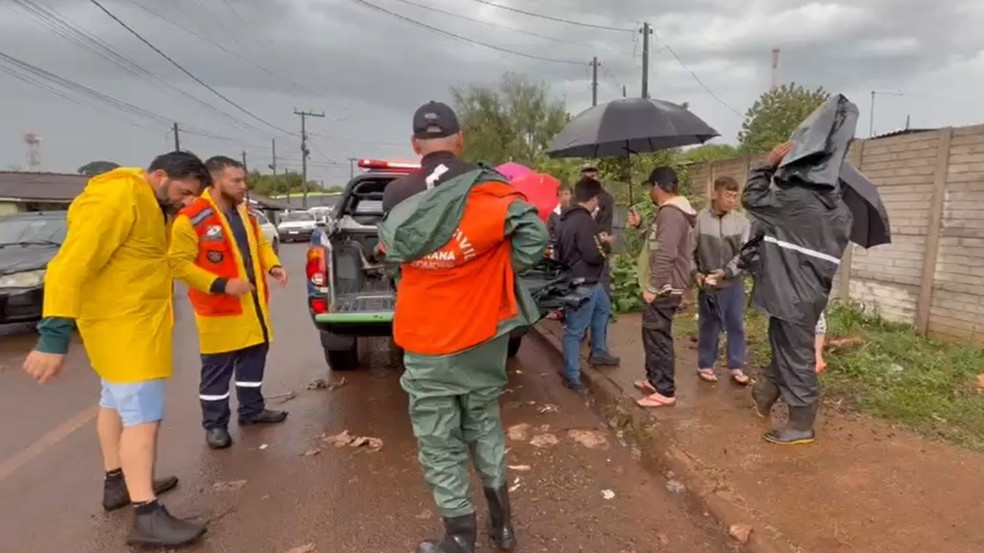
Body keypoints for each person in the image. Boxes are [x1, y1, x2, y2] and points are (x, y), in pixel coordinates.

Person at [378, 101, 548, 553]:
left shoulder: (396, 196)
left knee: (439, 439)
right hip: (482, 335)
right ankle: (503, 529)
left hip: (425, 336)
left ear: (416, 145)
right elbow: (535, 236)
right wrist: (496, 271)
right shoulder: (491, 189)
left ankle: (458, 536)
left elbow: (391, 254)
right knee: (484, 424)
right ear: (460, 140)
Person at [22, 152, 210, 547]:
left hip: (130, 324)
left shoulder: (149, 203)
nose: (186, 202)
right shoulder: (117, 198)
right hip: (125, 329)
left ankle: (118, 482)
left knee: (113, 404)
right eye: (184, 192)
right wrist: (52, 335)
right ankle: (147, 515)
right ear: (159, 175)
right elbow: (70, 264)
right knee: (143, 418)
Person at [715, 141, 852, 445]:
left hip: (790, 293)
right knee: (785, 348)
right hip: (807, 294)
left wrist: (768, 163)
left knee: (797, 357)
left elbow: (752, 197)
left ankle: (802, 423)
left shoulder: (795, 201)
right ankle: (764, 394)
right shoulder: (841, 211)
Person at [169, 156, 289, 449]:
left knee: (252, 364)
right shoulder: (193, 217)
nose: (243, 186)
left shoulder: (245, 213)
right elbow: (178, 264)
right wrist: (222, 285)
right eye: (235, 180)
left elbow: (260, 244)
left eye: (243, 180)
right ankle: (215, 425)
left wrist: (273, 265)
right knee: (216, 375)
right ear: (216, 181)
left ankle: (252, 411)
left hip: (252, 308)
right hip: (219, 310)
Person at [626, 167, 697, 408]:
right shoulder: (669, 213)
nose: (650, 192)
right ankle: (654, 379)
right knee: (651, 334)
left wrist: (653, 287)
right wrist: (641, 227)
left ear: (658, 186)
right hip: (662, 287)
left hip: (664, 289)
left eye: (650, 187)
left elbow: (666, 253)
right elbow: (660, 242)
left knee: (659, 338)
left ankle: (665, 391)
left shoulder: (671, 213)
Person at [554, 177, 620, 393]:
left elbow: (562, 251)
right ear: (593, 199)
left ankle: (598, 351)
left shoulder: (565, 219)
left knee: (603, 308)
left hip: (577, 279)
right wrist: (605, 244)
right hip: (584, 281)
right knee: (575, 330)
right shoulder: (586, 222)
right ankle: (572, 376)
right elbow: (593, 255)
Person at [692, 176, 751, 385]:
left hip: (732, 281)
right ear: (715, 194)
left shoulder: (741, 221)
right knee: (709, 325)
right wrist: (695, 273)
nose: (732, 201)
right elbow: (689, 250)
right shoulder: (699, 219)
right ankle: (705, 364)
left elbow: (745, 253)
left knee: (736, 324)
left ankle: (736, 365)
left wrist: (726, 272)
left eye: (735, 196)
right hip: (708, 283)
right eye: (728, 195)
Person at [546, 183, 572, 247]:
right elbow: (549, 234)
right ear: (558, 197)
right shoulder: (554, 215)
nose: (564, 197)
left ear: (571, 195)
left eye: (566, 194)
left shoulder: (577, 213)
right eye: (561, 195)